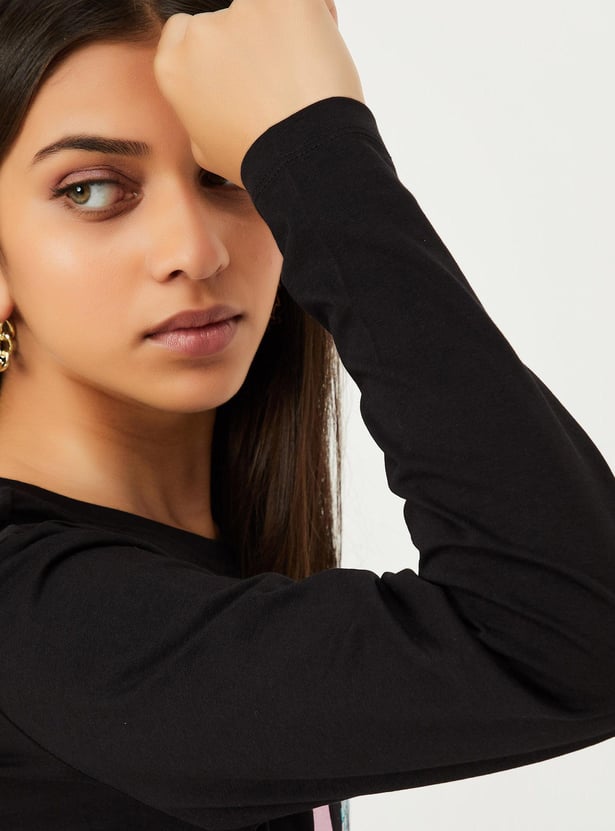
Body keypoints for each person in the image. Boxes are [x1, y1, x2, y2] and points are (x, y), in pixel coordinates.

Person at [0, 1, 613, 829]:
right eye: (93, 189)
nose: (197, 250)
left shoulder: (199, 567)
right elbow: (568, 630)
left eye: (227, 173)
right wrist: (313, 146)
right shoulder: (37, 621)